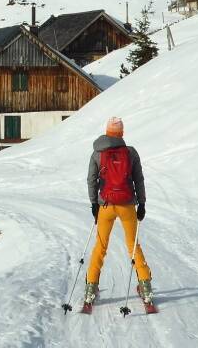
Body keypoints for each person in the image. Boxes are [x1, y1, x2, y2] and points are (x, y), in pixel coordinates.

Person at [83, 116, 153, 312]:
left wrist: (94, 203)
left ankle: (90, 290)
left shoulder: (97, 153)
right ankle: (146, 288)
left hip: (105, 206)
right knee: (133, 245)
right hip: (127, 205)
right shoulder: (130, 153)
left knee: (100, 246)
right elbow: (139, 179)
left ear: (107, 132)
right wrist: (142, 203)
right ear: (122, 133)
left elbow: (91, 180)